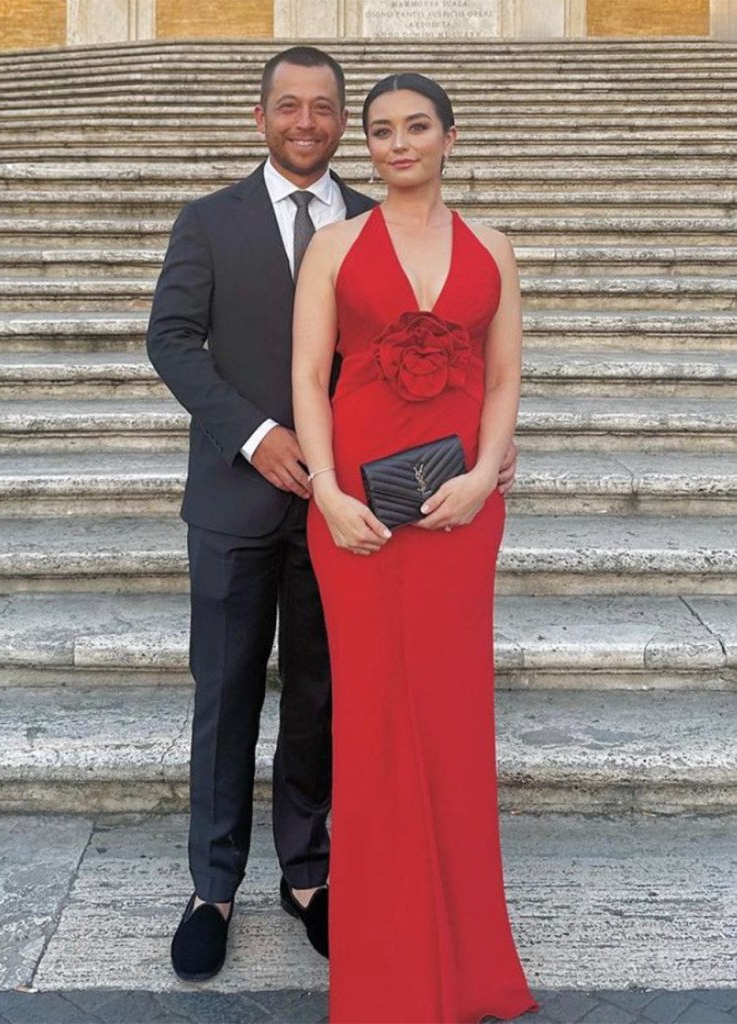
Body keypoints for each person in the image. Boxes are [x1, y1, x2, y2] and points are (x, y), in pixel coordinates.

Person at [148, 47, 518, 985]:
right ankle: (214, 887)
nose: (305, 122)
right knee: (227, 691)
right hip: (243, 488)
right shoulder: (209, 220)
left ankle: (310, 876)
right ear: (262, 116)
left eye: (323, 108)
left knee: (322, 695)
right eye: (288, 106)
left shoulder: (372, 216)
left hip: (366, 505)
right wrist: (259, 434)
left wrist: (483, 444)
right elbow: (172, 340)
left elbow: (435, 356)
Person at [292, 73, 538, 1022]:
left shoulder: (495, 248)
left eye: (416, 128)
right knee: (375, 723)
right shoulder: (334, 246)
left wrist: (482, 476)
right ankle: (385, 972)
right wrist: (327, 489)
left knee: (450, 719)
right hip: (355, 509)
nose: (399, 144)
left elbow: (508, 375)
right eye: (383, 131)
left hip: (460, 516)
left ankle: (469, 961)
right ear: (369, 146)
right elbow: (310, 380)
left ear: (449, 136)